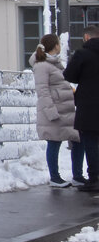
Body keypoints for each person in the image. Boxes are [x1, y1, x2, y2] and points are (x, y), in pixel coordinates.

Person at [30, 33, 84, 187]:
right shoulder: (42, 66)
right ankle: (55, 177)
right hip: (55, 112)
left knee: (78, 140)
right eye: (59, 43)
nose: (60, 45)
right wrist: (51, 112)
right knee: (54, 142)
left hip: (66, 111)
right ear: (55, 45)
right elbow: (43, 91)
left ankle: (78, 176)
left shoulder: (54, 64)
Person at [63, 25, 99, 191]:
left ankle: (94, 178)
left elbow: (69, 75)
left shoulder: (82, 54)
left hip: (88, 106)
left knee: (90, 142)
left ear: (86, 37)